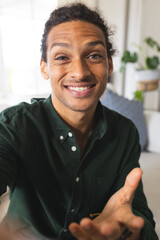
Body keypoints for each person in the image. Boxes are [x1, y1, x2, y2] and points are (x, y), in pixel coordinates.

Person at [0, 2, 158, 240]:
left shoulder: (125, 132)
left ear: (109, 65)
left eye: (94, 55)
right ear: (44, 68)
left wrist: (126, 230)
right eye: (62, 57)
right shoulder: (15, 126)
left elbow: (139, 216)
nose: (80, 72)